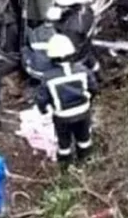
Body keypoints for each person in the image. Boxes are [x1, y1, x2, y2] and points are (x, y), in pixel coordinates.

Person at [36, 34, 99, 168]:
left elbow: (42, 100)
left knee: (64, 145)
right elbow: (94, 88)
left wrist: (44, 110)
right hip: (83, 113)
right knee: (84, 140)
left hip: (62, 117)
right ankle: (86, 164)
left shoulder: (48, 77)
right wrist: (88, 100)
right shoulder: (82, 70)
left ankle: (66, 169)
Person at [52, 0, 95, 66]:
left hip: (74, 59)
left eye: (58, 5)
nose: (56, 6)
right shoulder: (86, 10)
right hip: (85, 47)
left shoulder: (72, 28)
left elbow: (65, 53)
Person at [21, 6, 61, 82]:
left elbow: (30, 45)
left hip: (32, 65)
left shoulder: (34, 30)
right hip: (46, 69)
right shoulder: (55, 34)